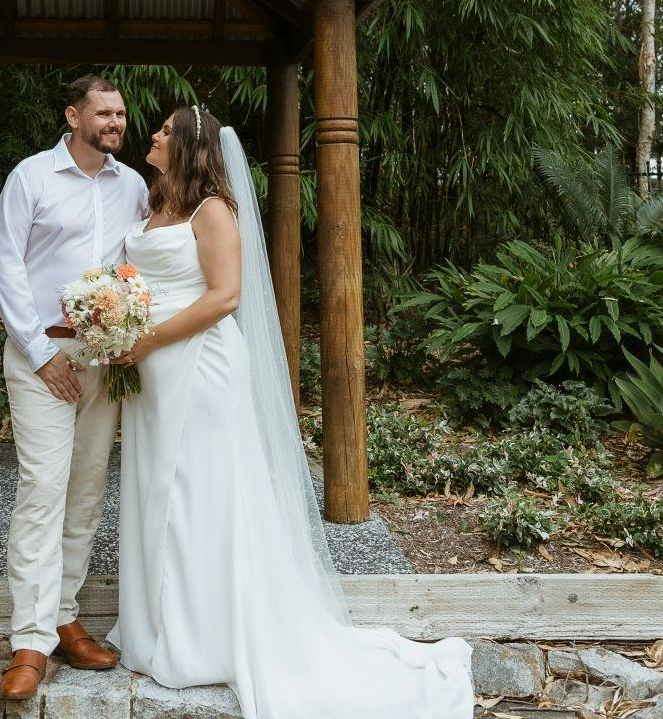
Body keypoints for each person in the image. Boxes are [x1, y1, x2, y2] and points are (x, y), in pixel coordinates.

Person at [109, 104, 473, 717]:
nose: (153, 135)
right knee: (154, 489)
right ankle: (155, 628)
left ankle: (203, 640)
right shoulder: (153, 203)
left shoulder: (213, 211)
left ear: (192, 146)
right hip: (152, 372)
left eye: (166, 131)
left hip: (200, 366)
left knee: (199, 495)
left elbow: (225, 296)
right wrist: (117, 327)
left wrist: (145, 338)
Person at [0, 75, 150, 700]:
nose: (115, 122)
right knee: (43, 487)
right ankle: (29, 639)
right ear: (73, 116)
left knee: (84, 490)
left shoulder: (132, 184)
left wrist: (126, 337)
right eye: (104, 112)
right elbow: (5, 266)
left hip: (105, 356)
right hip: (41, 354)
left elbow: (138, 266)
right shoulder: (30, 176)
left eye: (121, 114)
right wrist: (40, 352)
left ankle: (63, 616)